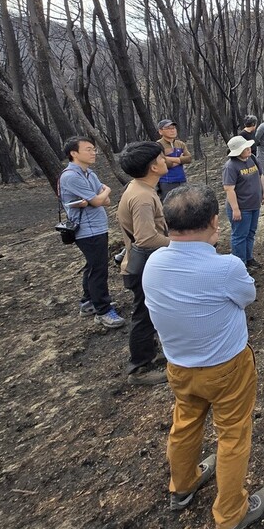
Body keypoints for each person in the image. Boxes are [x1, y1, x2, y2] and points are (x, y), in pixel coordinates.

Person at [142, 184, 264, 529]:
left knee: (185, 423)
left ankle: (182, 485)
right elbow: (248, 296)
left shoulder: (153, 264)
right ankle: (231, 515)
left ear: (168, 224)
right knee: (232, 436)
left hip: (179, 367)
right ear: (215, 221)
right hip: (228, 367)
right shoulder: (226, 267)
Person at [117, 141, 171, 386]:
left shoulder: (140, 187)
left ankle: (149, 353)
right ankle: (139, 368)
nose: (166, 160)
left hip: (145, 263)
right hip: (142, 266)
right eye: (161, 158)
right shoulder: (142, 197)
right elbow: (147, 238)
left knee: (148, 312)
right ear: (153, 167)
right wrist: (181, 243)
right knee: (144, 314)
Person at [59, 136, 123, 328]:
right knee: (98, 270)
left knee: (93, 266)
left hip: (98, 226)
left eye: (93, 149)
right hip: (87, 230)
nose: (93, 152)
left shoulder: (89, 174)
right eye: (88, 149)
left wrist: (97, 198)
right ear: (74, 153)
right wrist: (105, 191)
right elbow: (98, 200)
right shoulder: (70, 176)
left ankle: (88, 302)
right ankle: (103, 311)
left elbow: (105, 201)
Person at [222, 136, 264, 271]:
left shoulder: (252, 158)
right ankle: (240, 266)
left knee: (250, 233)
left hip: (254, 205)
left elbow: (260, 175)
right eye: (245, 148)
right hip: (242, 207)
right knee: (240, 236)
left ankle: (249, 258)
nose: (248, 149)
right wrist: (235, 209)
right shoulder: (230, 166)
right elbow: (229, 189)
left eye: (248, 147)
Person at [156, 119, 193, 201]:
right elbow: (165, 163)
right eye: (168, 128)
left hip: (182, 179)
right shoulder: (158, 145)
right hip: (167, 181)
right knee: (170, 204)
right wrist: (180, 160)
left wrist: (169, 158)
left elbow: (189, 158)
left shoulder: (180, 144)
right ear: (160, 131)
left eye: (173, 128)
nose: (172, 130)